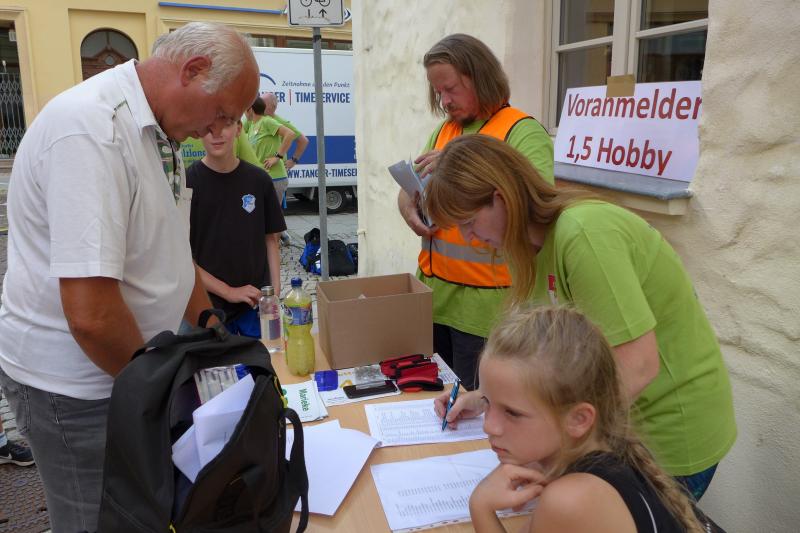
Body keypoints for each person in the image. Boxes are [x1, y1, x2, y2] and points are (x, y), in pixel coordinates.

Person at [0, 22, 258, 532]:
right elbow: (92, 316)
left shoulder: (158, 130)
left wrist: (211, 327)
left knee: (141, 513)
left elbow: (173, 252)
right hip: (76, 390)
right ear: (193, 71)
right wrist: (161, 395)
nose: (220, 129)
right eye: (224, 113)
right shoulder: (92, 130)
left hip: (128, 373)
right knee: (98, 523)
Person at [426, 135, 736, 499]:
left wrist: (552, 444)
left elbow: (636, 366)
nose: (469, 238)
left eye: (468, 221)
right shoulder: (528, 248)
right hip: (613, 430)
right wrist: (487, 400)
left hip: (667, 431)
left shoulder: (583, 233)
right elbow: (548, 362)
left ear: (501, 197)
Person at [445, 306, 710, 532]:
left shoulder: (570, 499)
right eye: (487, 402)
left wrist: (481, 506)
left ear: (579, 419)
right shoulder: (602, 454)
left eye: (512, 413)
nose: (488, 426)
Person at [397, 34, 554, 390]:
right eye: (438, 92)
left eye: (450, 89)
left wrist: (465, 162)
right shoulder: (445, 130)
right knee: (436, 402)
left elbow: (535, 208)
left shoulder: (522, 131)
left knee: (476, 408)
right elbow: (412, 187)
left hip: (487, 311)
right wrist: (407, 205)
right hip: (434, 302)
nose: (444, 101)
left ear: (480, 77)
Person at [188, 118, 286, 337]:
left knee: (264, 358)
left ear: (239, 129)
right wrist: (228, 291)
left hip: (255, 304)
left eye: (225, 125)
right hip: (209, 308)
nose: (217, 133)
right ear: (198, 131)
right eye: (209, 127)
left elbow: (271, 239)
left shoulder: (259, 180)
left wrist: (275, 292)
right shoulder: (188, 183)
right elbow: (182, 259)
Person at [245, 96, 296, 209]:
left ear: (251, 109)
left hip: (274, 178)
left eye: (245, 110)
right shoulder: (252, 125)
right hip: (261, 177)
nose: (244, 114)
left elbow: (290, 134)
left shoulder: (266, 121)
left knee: (271, 215)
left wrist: (277, 157)